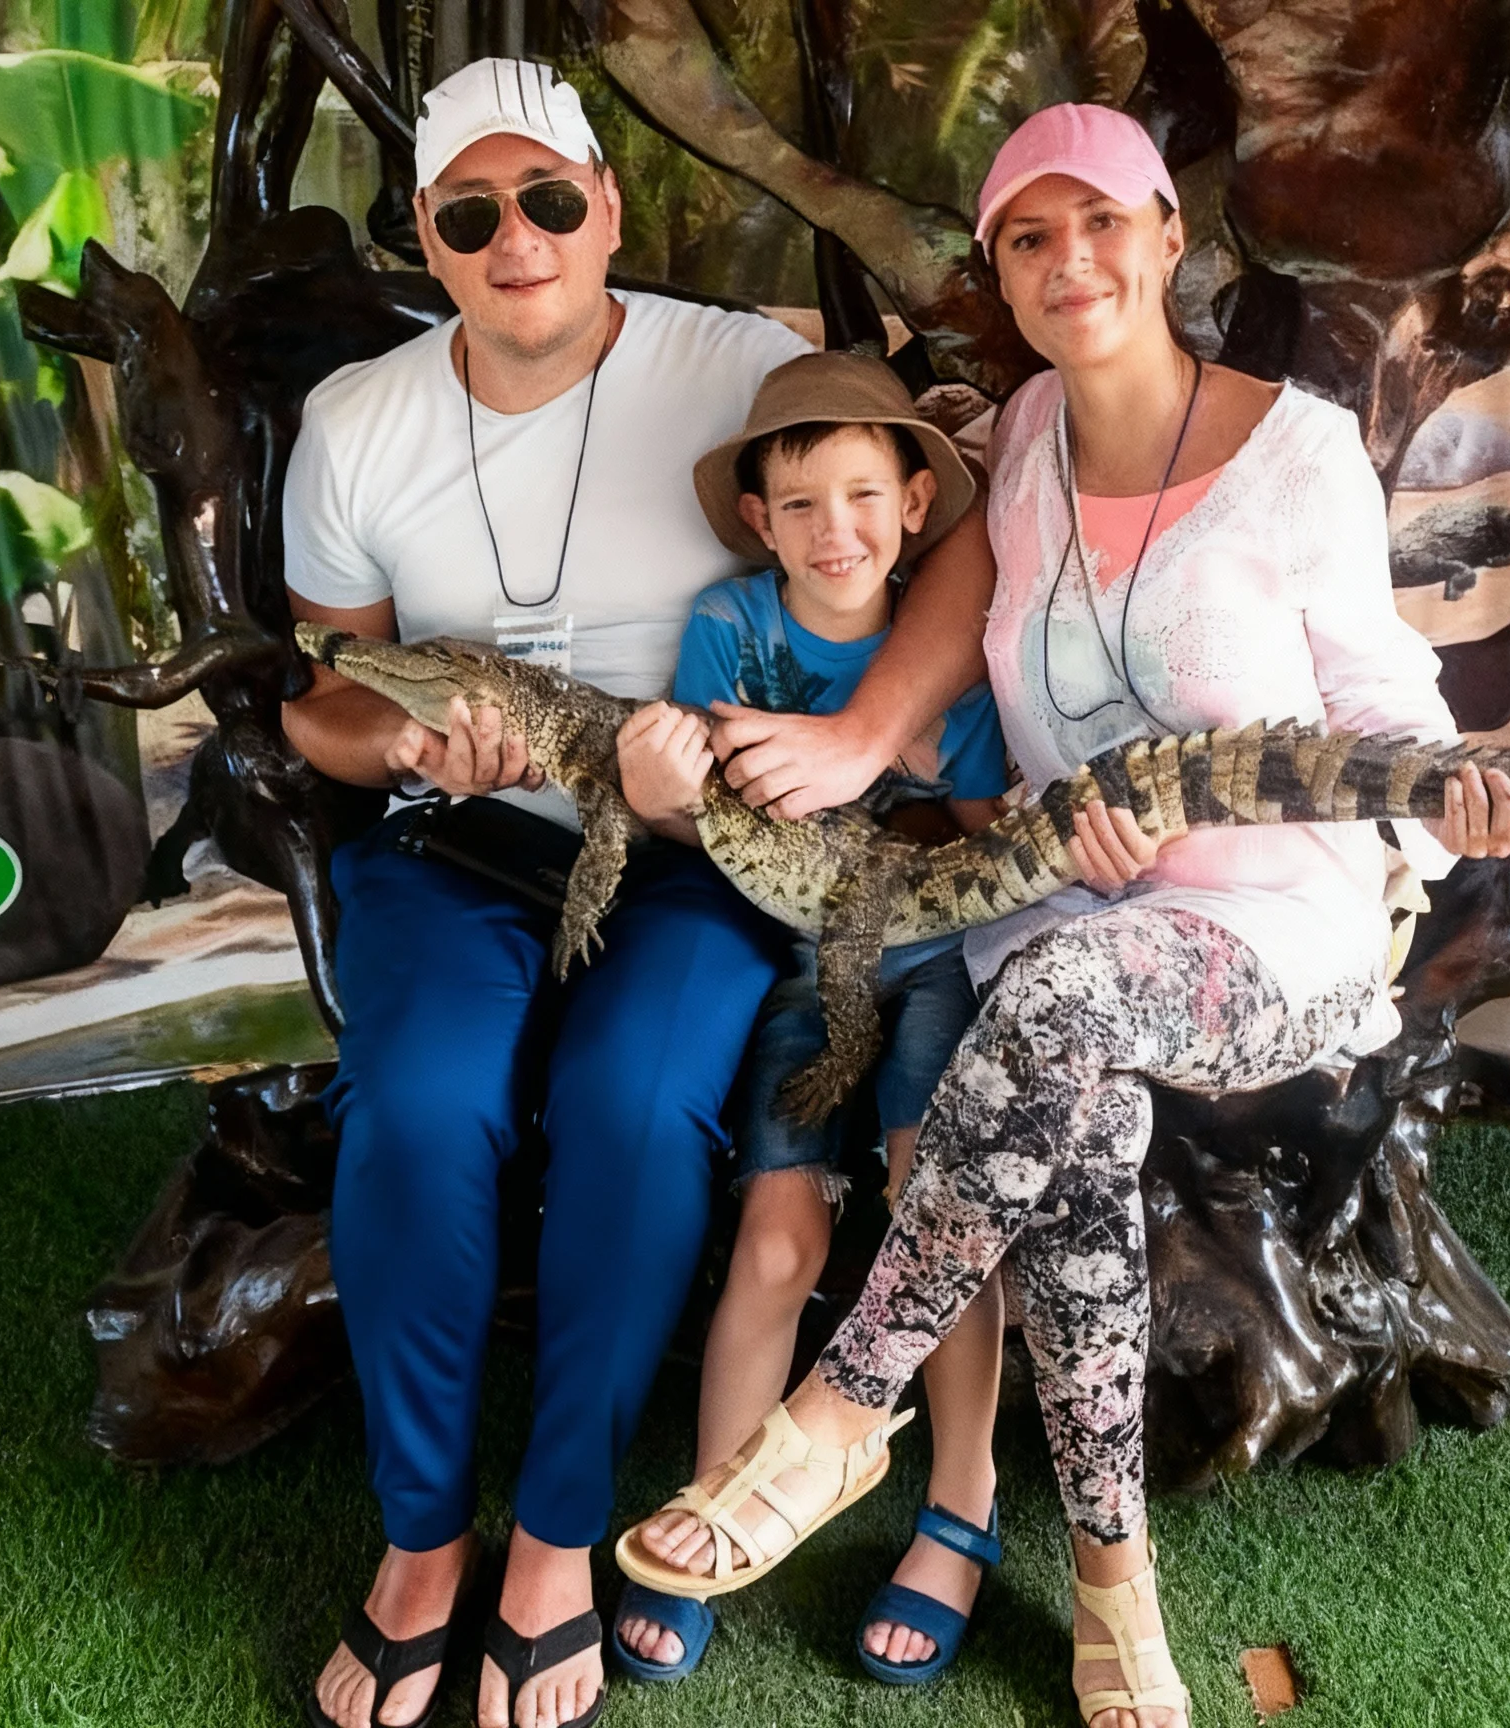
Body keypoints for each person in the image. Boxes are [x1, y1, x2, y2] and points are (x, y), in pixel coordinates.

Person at [619, 103, 1510, 1728]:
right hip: (1062, 907)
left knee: (1063, 1006)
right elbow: (958, 594)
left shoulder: (1299, 453)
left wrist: (1450, 785)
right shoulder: (1026, 438)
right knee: (1074, 1138)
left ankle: (844, 1406)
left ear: (1168, 236)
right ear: (999, 267)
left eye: (1103, 221)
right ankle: (1116, 1587)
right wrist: (861, 740)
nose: (1072, 262)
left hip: (1271, 925)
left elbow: (1377, 692)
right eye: (1030, 238)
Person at [278, 56, 814, 1728]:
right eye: (471, 215)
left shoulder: (745, 370)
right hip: (458, 847)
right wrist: (402, 746)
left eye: (551, 199)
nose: (518, 239)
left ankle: (559, 1532)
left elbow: (934, 552)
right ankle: (423, 1536)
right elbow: (320, 695)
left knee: (635, 1107)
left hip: (690, 847)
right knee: (421, 1105)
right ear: (426, 237)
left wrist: (860, 738)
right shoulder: (356, 423)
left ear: (609, 207)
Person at [608, 353, 1012, 1686]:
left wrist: (922, 755)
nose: (834, 529)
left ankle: (961, 1500)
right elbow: (700, 817)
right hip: (800, 964)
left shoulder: (945, 657)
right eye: (799, 503)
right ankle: (721, 1493)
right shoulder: (729, 629)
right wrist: (658, 794)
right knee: (777, 1232)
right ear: (759, 522)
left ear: (912, 506)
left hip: (934, 957)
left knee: (933, 1203)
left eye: (862, 495)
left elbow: (984, 833)